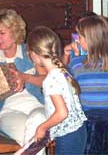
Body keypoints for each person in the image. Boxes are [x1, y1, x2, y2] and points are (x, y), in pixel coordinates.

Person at [0, 9, 47, 154]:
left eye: (2, 33)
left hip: (37, 104)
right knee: (31, 135)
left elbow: (48, 80)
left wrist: (25, 77)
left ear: (14, 32)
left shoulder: (30, 51)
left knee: (39, 120)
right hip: (8, 110)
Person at [62, 14, 108, 155]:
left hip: (100, 115)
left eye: (79, 36)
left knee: (99, 145)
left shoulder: (78, 63)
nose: (77, 39)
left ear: (91, 40)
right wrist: (68, 54)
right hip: (97, 114)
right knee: (100, 146)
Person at [26, 26, 87, 155]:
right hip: (79, 131)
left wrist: (42, 127)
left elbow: (62, 113)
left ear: (34, 55)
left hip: (68, 137)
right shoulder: (62, 71)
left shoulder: (50, 80)